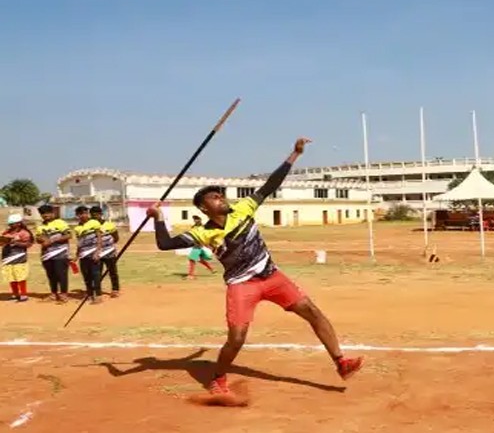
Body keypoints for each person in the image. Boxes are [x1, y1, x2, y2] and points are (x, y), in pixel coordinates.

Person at [146, 137, 363, 400]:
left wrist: (294, 154)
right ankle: (218, 378)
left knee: (313, 312)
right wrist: (158, 218)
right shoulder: (202, 233)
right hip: (241, 285)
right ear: (204, 208)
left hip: (272, 276)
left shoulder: (244, 208)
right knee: (237, 338)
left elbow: (272, 184)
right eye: (214, 197)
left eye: (220, 194)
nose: (221, 198)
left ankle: (341, 362)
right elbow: (164, 243)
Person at [35, 205, 72, 303]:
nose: (45, 215)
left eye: (47, 213)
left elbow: (68, 235)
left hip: (61, 254)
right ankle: (53, 293)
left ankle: (64, 294)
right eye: (42, 213)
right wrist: (41, 239)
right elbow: (38, 238)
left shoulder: (60, 223)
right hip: (46, 255)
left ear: (52, 213)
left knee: (61, 274)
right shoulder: (41, 227)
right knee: (51, 275)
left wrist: (52, 240)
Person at [73, 206, 104, 304]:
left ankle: (98, 296)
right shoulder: (77, 228)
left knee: (96, 275)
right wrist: (77, 255)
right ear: (77, 215)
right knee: (86, 276)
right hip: (83, 255)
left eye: (85, 213)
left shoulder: (94, 223)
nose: (84, 215)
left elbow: (99, 238)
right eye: (81, 214)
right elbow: (79, 243)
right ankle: (90, 295)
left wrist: (97, 252)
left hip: (93, 253)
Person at [1, 214, 34, 302]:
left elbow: (28, 244)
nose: (10, 225)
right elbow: (2, 243)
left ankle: (23, 294)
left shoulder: (24, 233)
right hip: (7, 257)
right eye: (10, 224)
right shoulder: (7, 232)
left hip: (19, 256)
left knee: (20, 276)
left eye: (12, 223)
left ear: (19, 223)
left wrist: (16, 243)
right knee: (11, 276)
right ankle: (15, 294)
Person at [90, 206, 120, 297]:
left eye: (97, 215)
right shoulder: (90, 226)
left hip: (109, 252)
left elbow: (116, 237)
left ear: (101, 214)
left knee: (112, 271)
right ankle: (97, 290)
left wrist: (109, 246)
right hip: (96, 253)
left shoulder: (109, 225)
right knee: (96, 272)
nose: (95, 217)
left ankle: (115, 289)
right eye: (93, 215)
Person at [186, 215, 216, 279]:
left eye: (197, 219)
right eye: (194, 219)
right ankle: (211, 268)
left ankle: (191, 275)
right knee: (200, 259)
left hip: (198, 245)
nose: (196, 220)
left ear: (200, 220)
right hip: (195, 244)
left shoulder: (203, 227)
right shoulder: (193, 227)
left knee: (192, 259)